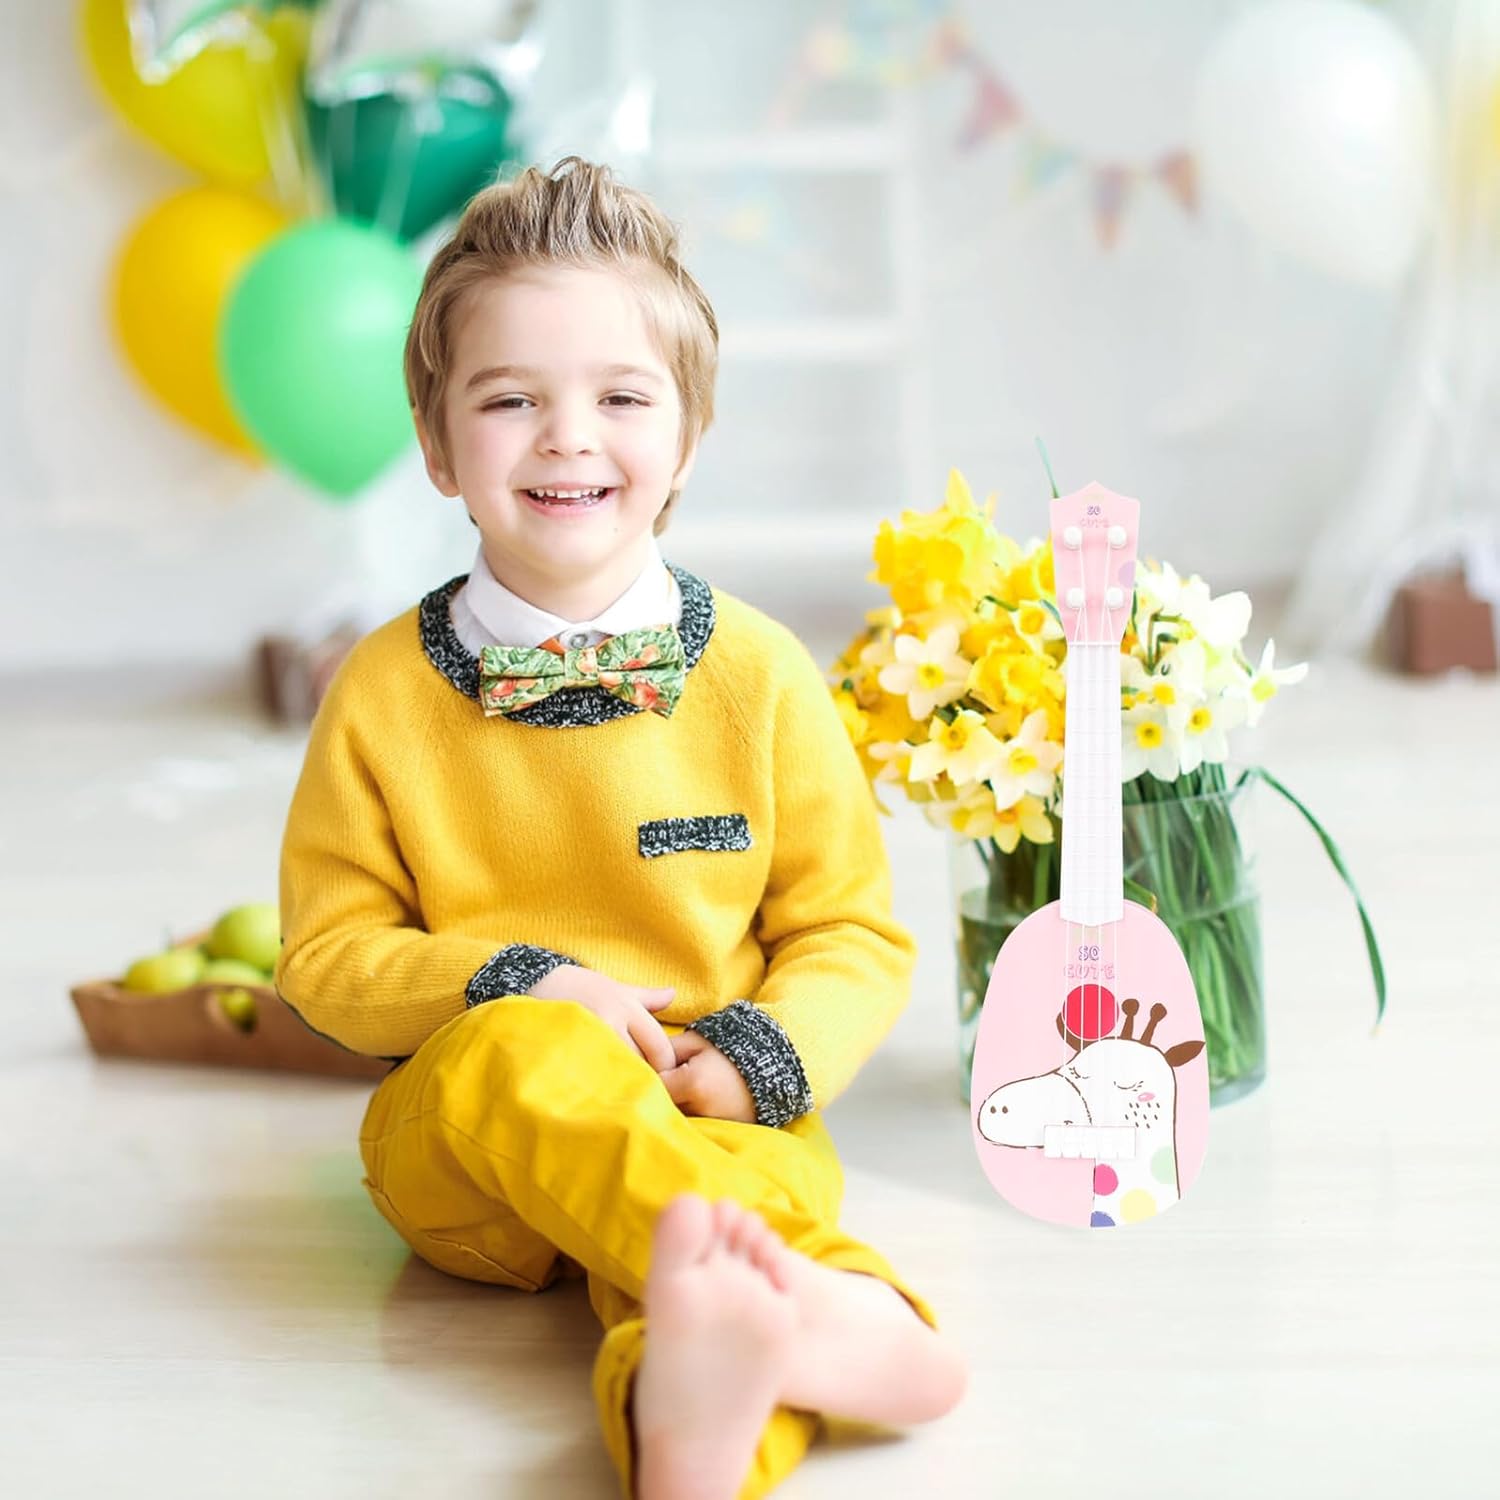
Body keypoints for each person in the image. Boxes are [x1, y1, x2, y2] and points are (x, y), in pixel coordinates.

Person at [274, 155, 968, 1500]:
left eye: (621, 397)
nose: (567, 436)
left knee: (718, 1271)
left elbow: (850, 933)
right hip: (468, 1158)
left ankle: (691, 1428)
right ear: (437, 445)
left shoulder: (762, 675)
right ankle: (850, 1312)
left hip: (719, 1119)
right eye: (510, 399)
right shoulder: (379, 692)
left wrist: (759, 1059)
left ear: (688, 436)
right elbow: (328, 955)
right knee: (528, 1057)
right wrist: (519, 985)